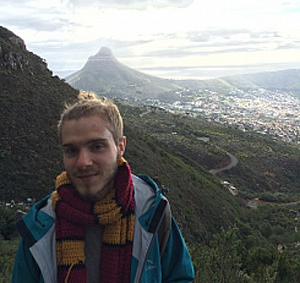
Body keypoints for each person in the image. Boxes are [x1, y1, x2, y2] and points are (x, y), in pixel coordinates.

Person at [11, 91, 194, 283]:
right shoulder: (40, 226)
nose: (83, 162)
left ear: (120, 146)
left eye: (97, 146)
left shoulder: (152, 211)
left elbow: (178, 276)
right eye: (72, 150)